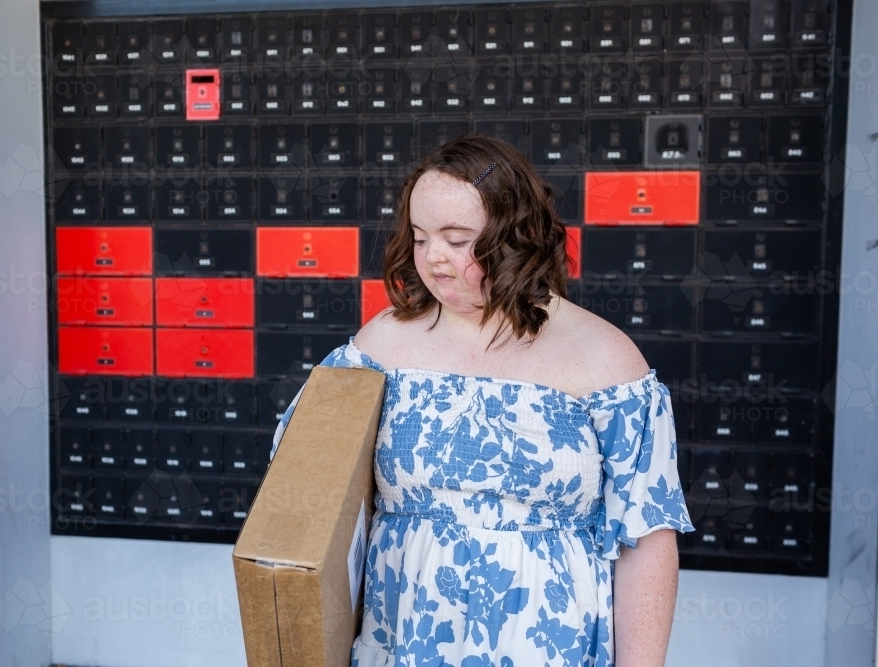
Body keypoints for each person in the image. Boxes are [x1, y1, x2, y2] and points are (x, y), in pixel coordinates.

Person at [271, 134, 694, 667]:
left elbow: (648, 538)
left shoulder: (607, 360)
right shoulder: (382, 344)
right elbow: (305, 470)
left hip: (548, 642)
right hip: (407, 636)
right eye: (421, 238)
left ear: (517, 236)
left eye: (456, 238)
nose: (433, 259)